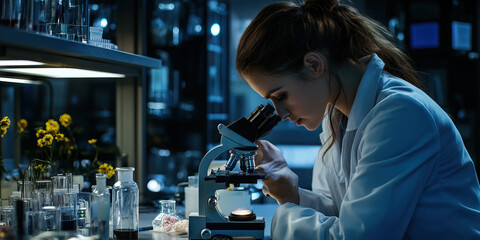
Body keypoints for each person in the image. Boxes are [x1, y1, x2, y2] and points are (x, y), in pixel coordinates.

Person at [236, 0, 480, 239]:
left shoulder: (400, 113)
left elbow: (359, 235)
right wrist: (292, 196)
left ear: (313, 65)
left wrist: (282, 217)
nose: (279, 113)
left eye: (280, 96)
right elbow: (346, 215)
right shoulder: (336, 117)